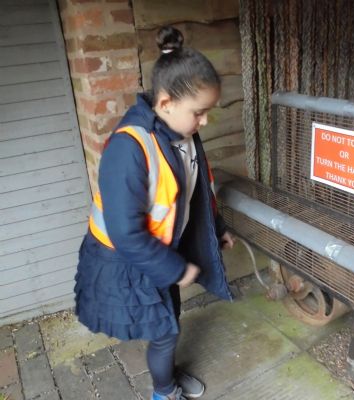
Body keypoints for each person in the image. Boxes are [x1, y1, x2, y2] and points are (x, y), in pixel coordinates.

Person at [74, 25, 234, 400]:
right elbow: (126, 233)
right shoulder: (128, 149)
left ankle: (167, 379)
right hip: (126, 260)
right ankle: (164, 392)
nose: (204, 121)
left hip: (158, 253)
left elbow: (196, 192)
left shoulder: (184, 133)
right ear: (165, 104)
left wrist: (218, 228)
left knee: (168, 323)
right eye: (199, 113)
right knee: (165, 331)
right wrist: (176, 269)